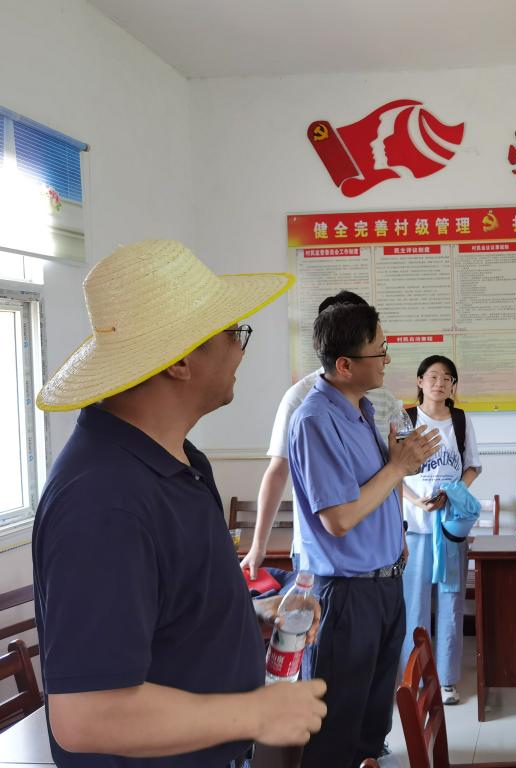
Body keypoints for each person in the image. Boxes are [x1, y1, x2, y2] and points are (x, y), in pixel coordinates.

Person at [31, 240, 327, 767]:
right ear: (181, 362)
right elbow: (85, 716)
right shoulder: (103, 501)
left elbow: (164, 605)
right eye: (233, 333)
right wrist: (256, 714)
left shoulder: (180, 460)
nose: (240, 349)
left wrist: (247, 615)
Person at [288, 301, 441, 768]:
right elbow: (338, 519)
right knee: (335, 730)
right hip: (347, 594)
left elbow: (376, 491)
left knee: (372, 725)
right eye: (380, 350)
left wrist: (401, 468)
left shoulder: (362, 409)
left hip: (384, 585)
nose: (387, 358)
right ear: (345, 365)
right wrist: (397, 467)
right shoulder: (315, 420)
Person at [240, 290, 403, 578]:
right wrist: (258, 545)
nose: (386, 358)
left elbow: (391, 473)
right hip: (336, 564)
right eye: (378, 348)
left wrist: (398, 532)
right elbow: (279, 471)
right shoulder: (305, 405)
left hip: (380, 559)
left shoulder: (376, 399)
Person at [400, 355, 482, 706]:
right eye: (433, 376)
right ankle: (416, 678)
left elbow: (472, 467)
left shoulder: (460, 421)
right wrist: (416, 501)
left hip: (450, 527)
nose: (440, 383)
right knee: (414, 605)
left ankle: (447, 681)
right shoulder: (405, 419)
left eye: (447, 378)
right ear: (420, 381)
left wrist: (453, 492)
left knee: (451, 602)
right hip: (414, 528)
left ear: (453, 386)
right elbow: (392, 471)